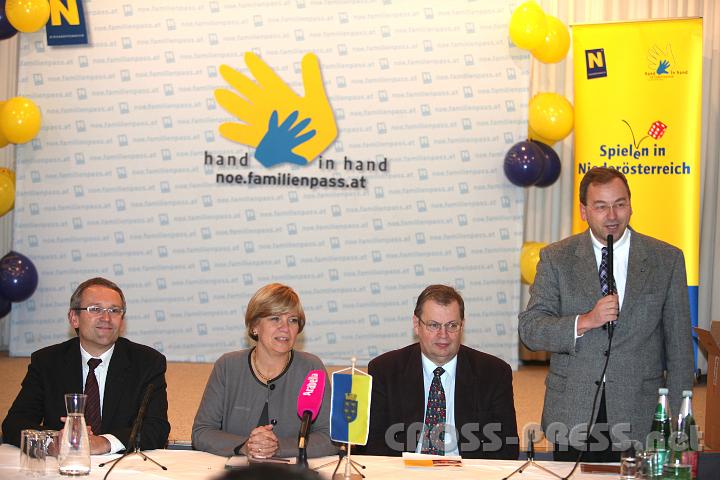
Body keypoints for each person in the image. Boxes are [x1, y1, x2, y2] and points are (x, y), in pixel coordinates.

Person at [518, 167, 694, 461]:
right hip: (573, 410)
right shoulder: (556, 257)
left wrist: (679, 422)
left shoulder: (666, 259)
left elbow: (679, 349)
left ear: (631, 205)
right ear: (583, 211)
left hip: (638, 411)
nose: (612, 216)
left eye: (620, 204)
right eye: (601, 207)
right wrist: (585, 321)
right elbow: (531, 329)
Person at [2, 277, 170, 453]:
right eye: (95, 309)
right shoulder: (47, 362)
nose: (106, 318)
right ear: (74, 318)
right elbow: (14, 424)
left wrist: (104, 442)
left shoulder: (147, 362)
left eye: (114, 310)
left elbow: (157, 428)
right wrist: (53, 441)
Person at [364, 284, 519, 459]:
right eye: (433, 325)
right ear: (417, 324)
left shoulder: (494, 373)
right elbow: (374, 445)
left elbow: (507, 447)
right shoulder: (384, 370)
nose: (443, 335)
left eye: (452, 325)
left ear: (462, 325)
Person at [192, 283, 337, 458]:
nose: (285, 328)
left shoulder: (311, 368)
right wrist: (245, 446)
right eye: (275, 318)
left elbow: (329, 438)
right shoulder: (228, 366)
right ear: (254, 326)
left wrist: (278, 447)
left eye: (292, 320)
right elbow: (202, 432)